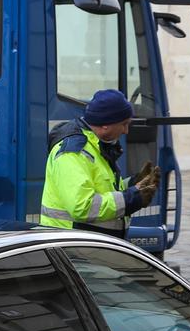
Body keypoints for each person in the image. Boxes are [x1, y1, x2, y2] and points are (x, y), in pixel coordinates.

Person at [39, 89, 158, 237]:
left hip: (90, 246)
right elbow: (83, 207)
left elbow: (102, 188)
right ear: (106, 125)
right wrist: (132, 197)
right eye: (123, 124)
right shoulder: (73, 153)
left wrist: (134, 184)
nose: (126, 131)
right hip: (76, 247)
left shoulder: (95, 145)